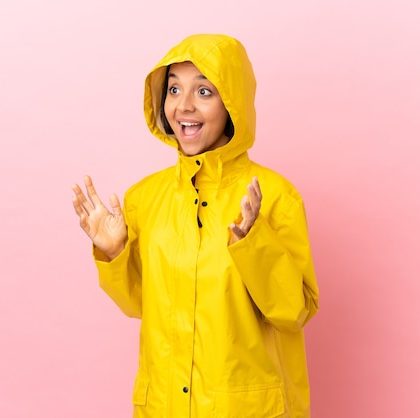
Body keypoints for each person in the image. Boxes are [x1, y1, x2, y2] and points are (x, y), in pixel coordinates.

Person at [71, 34, 319, 418]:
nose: (183, 106)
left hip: (244, 408)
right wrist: (115, 252)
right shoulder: (144, 198)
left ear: (232, 102)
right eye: (173, 89)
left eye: (204, 91)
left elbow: (293, 311)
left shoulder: (274, 197)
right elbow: (139, 305)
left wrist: (253, 244)